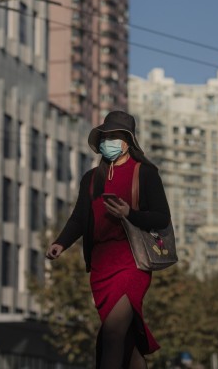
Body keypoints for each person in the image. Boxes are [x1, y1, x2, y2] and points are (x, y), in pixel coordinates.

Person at [46, 111, 172, 369]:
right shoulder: (91, 179)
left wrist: (130, 214)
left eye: (115, 136)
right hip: (101, 268)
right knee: (125, 342)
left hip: (133, 264)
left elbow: (162, 217)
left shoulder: (145, 173)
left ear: (128, 141)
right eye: (105, 136)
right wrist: (61, 243)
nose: (109, 142)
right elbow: (79, 219)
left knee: (111, 334)